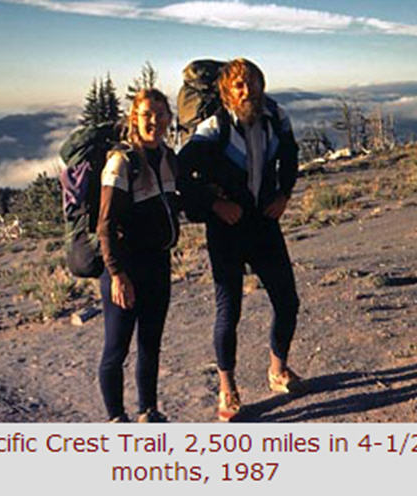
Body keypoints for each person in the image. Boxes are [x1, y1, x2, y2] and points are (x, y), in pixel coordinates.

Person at [178, 58, 303, 421]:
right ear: (226, 91)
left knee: (287, 301)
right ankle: (227, 389)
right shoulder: (214, 127)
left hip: (263, 222)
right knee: (229, 310)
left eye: (252, 82)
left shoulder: (275, 116)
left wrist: (284, 194)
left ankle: (278, 371)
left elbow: (291, 154)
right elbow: (181, 172)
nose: (247, 90)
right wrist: (214, 204)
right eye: (238, 85)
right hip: (226, 227)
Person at [96, 89, 179, 422]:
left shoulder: (168, 157)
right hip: (125, 268)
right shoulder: (122, 162)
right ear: (134, 118)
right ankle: (116, 419)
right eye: (146, 115)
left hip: (158, 264)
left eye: (160, 114)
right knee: (116, 349)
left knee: (150, 343)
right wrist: (117, 274)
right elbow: (105, 225)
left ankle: (148, 411)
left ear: (169, 119)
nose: (153, 122)